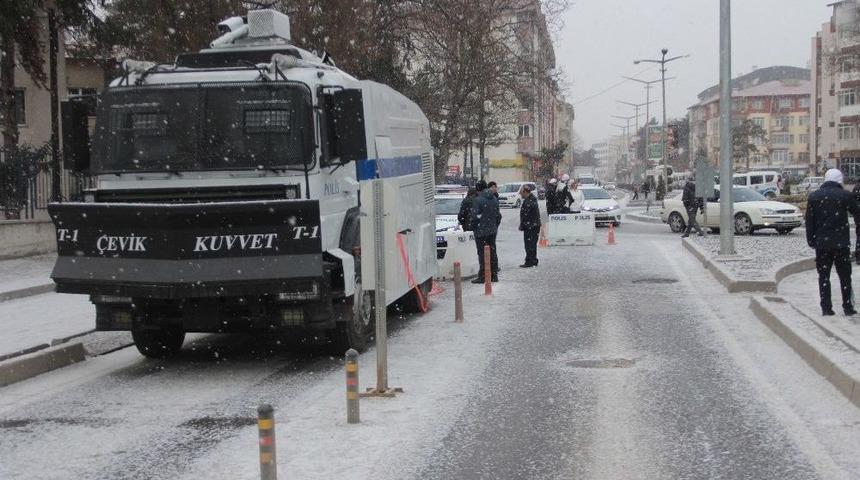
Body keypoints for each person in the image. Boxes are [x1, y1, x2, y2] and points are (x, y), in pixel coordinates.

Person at [806, 168, 860, 316]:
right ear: (839, 180)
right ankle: (847, 306)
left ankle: (826, 307)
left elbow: (809, 221)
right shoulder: (845, 196)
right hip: (841, 243)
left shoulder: (814, 196)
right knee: (845, 276)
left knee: (824, 276)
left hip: (822, 244)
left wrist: (811, 240)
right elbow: (857, 212)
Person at [471, 180, 501, 283]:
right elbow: (498, 216)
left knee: (482, 254)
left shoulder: (478, 200)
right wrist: (494, 226)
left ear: (478, 189)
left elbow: (474, 217)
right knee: (492, 252)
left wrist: (475, 227)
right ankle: (493, 275)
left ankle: (483, 276)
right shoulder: (494, 199)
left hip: (480, 232)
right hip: (492, 231)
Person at [518, 184, 541, 268]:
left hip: (531, 226)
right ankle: (533, 260)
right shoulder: (531, 199)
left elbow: (526, 215)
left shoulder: (529, 201)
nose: (520, 194)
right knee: (532, 244)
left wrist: (522, 224)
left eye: (521, 192)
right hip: (533, 225)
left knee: (529, 244)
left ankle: (530, 261)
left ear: (525, 192)